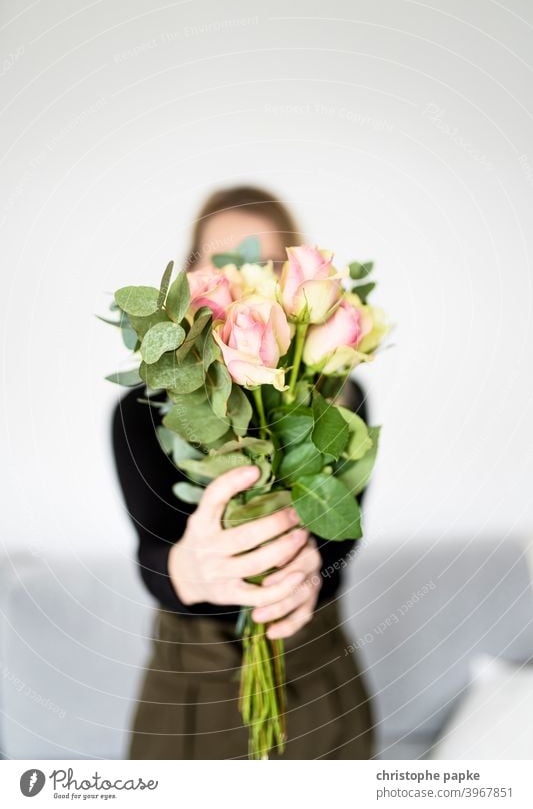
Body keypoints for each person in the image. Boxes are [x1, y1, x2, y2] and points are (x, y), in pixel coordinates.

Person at [111, 185, 376, 760]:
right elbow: (152, 554)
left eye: (267, 263)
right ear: (187, 280)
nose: (241, 278)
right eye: (223, 259)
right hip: (188, 690)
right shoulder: (140, 411)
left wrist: (309, 571)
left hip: (317, 673)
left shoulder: (339, 399)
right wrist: (188, 571)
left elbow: (340, 538)